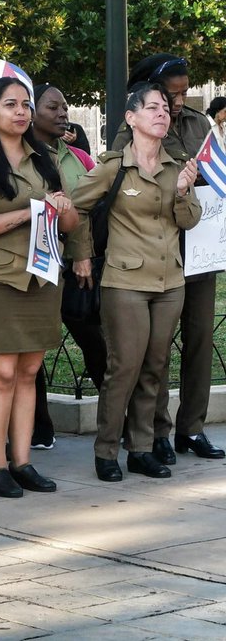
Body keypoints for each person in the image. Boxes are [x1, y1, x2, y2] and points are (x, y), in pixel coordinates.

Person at [0, 77, 78, 498]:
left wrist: (63, 208)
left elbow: (70, 222)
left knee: (28, 372)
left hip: (41, 275)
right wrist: (29, 213)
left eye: (25, 104)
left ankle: (22, 462)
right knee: (1, 373)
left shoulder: (44, 158)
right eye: (10, 104)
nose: (21, 112)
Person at [73, 83, 201, 482]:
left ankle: (142, 450)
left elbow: (189, 220)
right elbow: (76, 207)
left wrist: (183, 191)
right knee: (124, 368)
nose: (162, 113)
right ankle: (107, 450)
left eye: (164, 108)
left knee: (154, 368)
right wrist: (81, 255)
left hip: (169, 282)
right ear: (131, 118)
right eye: (152, 108)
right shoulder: (114, 166)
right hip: (125, 281)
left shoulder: (177, 167)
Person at [111, 54, 223, 462]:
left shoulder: (197, 123)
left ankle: (192, 428)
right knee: (154, 348)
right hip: (156, 249)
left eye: (182, 93)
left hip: (201, 245)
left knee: (200, 339)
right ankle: (155, 429)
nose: (177, 102)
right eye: (170, 94)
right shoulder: (132, 126)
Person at [31, 83, 101, 445]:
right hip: (33, 265)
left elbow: (84, 210)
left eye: (64, 107)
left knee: (94, 340)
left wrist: (82, 254)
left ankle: (118, 420)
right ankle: (38, 427)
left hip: (75, 265)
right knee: (31, 351)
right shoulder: (20, 154)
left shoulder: (79, 158)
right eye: (52, 107)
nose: (62, 114)